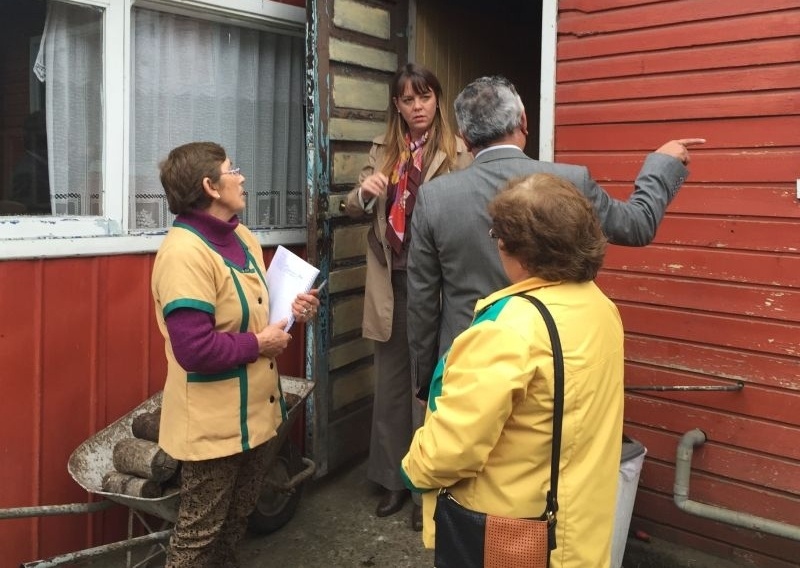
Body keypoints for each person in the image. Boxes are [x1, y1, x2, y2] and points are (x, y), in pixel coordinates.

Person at [407, 75, 705, 401]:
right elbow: (636, 225)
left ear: (463, 137)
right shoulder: (569, 180)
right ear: (523, 121)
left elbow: (422, 301)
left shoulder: (434, 197)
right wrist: (660, 166)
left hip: (467, 366)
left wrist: (427, 377)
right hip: (555, 360)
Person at [402, 173, 625, 566]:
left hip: (513, 541)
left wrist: (412, 468)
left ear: (512, 248)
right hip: (580, 530)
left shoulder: (508, 330)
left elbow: (451, 451)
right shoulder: (601, 308)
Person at [151, 141, 320, 567]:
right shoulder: (183, 254)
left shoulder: (240, 236)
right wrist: (259, 344)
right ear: (210, 186)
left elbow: (255, 309)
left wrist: (294, 308)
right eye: (233, 170)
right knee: (197, 537)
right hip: (213, 424)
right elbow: (194, 348)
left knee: (234, 523)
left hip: (256, 413)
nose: (242, 177)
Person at [343, 63, 472, 530]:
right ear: (396, 105)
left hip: (437, 285)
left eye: (425, 97)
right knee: (392, 388)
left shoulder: (458, 152)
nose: (417, 107)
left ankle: (429, 490)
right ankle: (393, 481)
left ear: (438, 99)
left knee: (434, 389)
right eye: (407, 99)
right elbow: (351, 207)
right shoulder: (383, 150)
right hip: (391, 282)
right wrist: (363, 192)